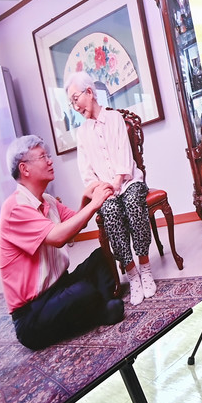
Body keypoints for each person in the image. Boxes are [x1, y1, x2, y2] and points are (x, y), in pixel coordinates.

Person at [0, 135, 128, 351]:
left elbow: (75, 223)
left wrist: (86, 201)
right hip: (32, 314)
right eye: (43, 157)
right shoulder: (14, 208)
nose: (50, 161)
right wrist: (94, 204)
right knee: (82, 291)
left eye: (48, 156)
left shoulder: (47, 201)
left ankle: (97, 306)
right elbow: (58, 238)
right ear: (25, 169)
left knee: (101, 256)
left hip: (59, 286)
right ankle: (99, 307)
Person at [64, 71, 156, 301]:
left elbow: (125, 159)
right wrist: (103, 189)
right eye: (70, 102)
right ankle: (132, 274)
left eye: (75, 99)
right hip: (105, 190)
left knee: (134, 202)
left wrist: (116, 183)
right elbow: (86, 174)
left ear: (89, 92)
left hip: (128, 181)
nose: (74, 106)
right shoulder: (82, 133)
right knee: (112, 211)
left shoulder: (115, 118)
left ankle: (145, 267)